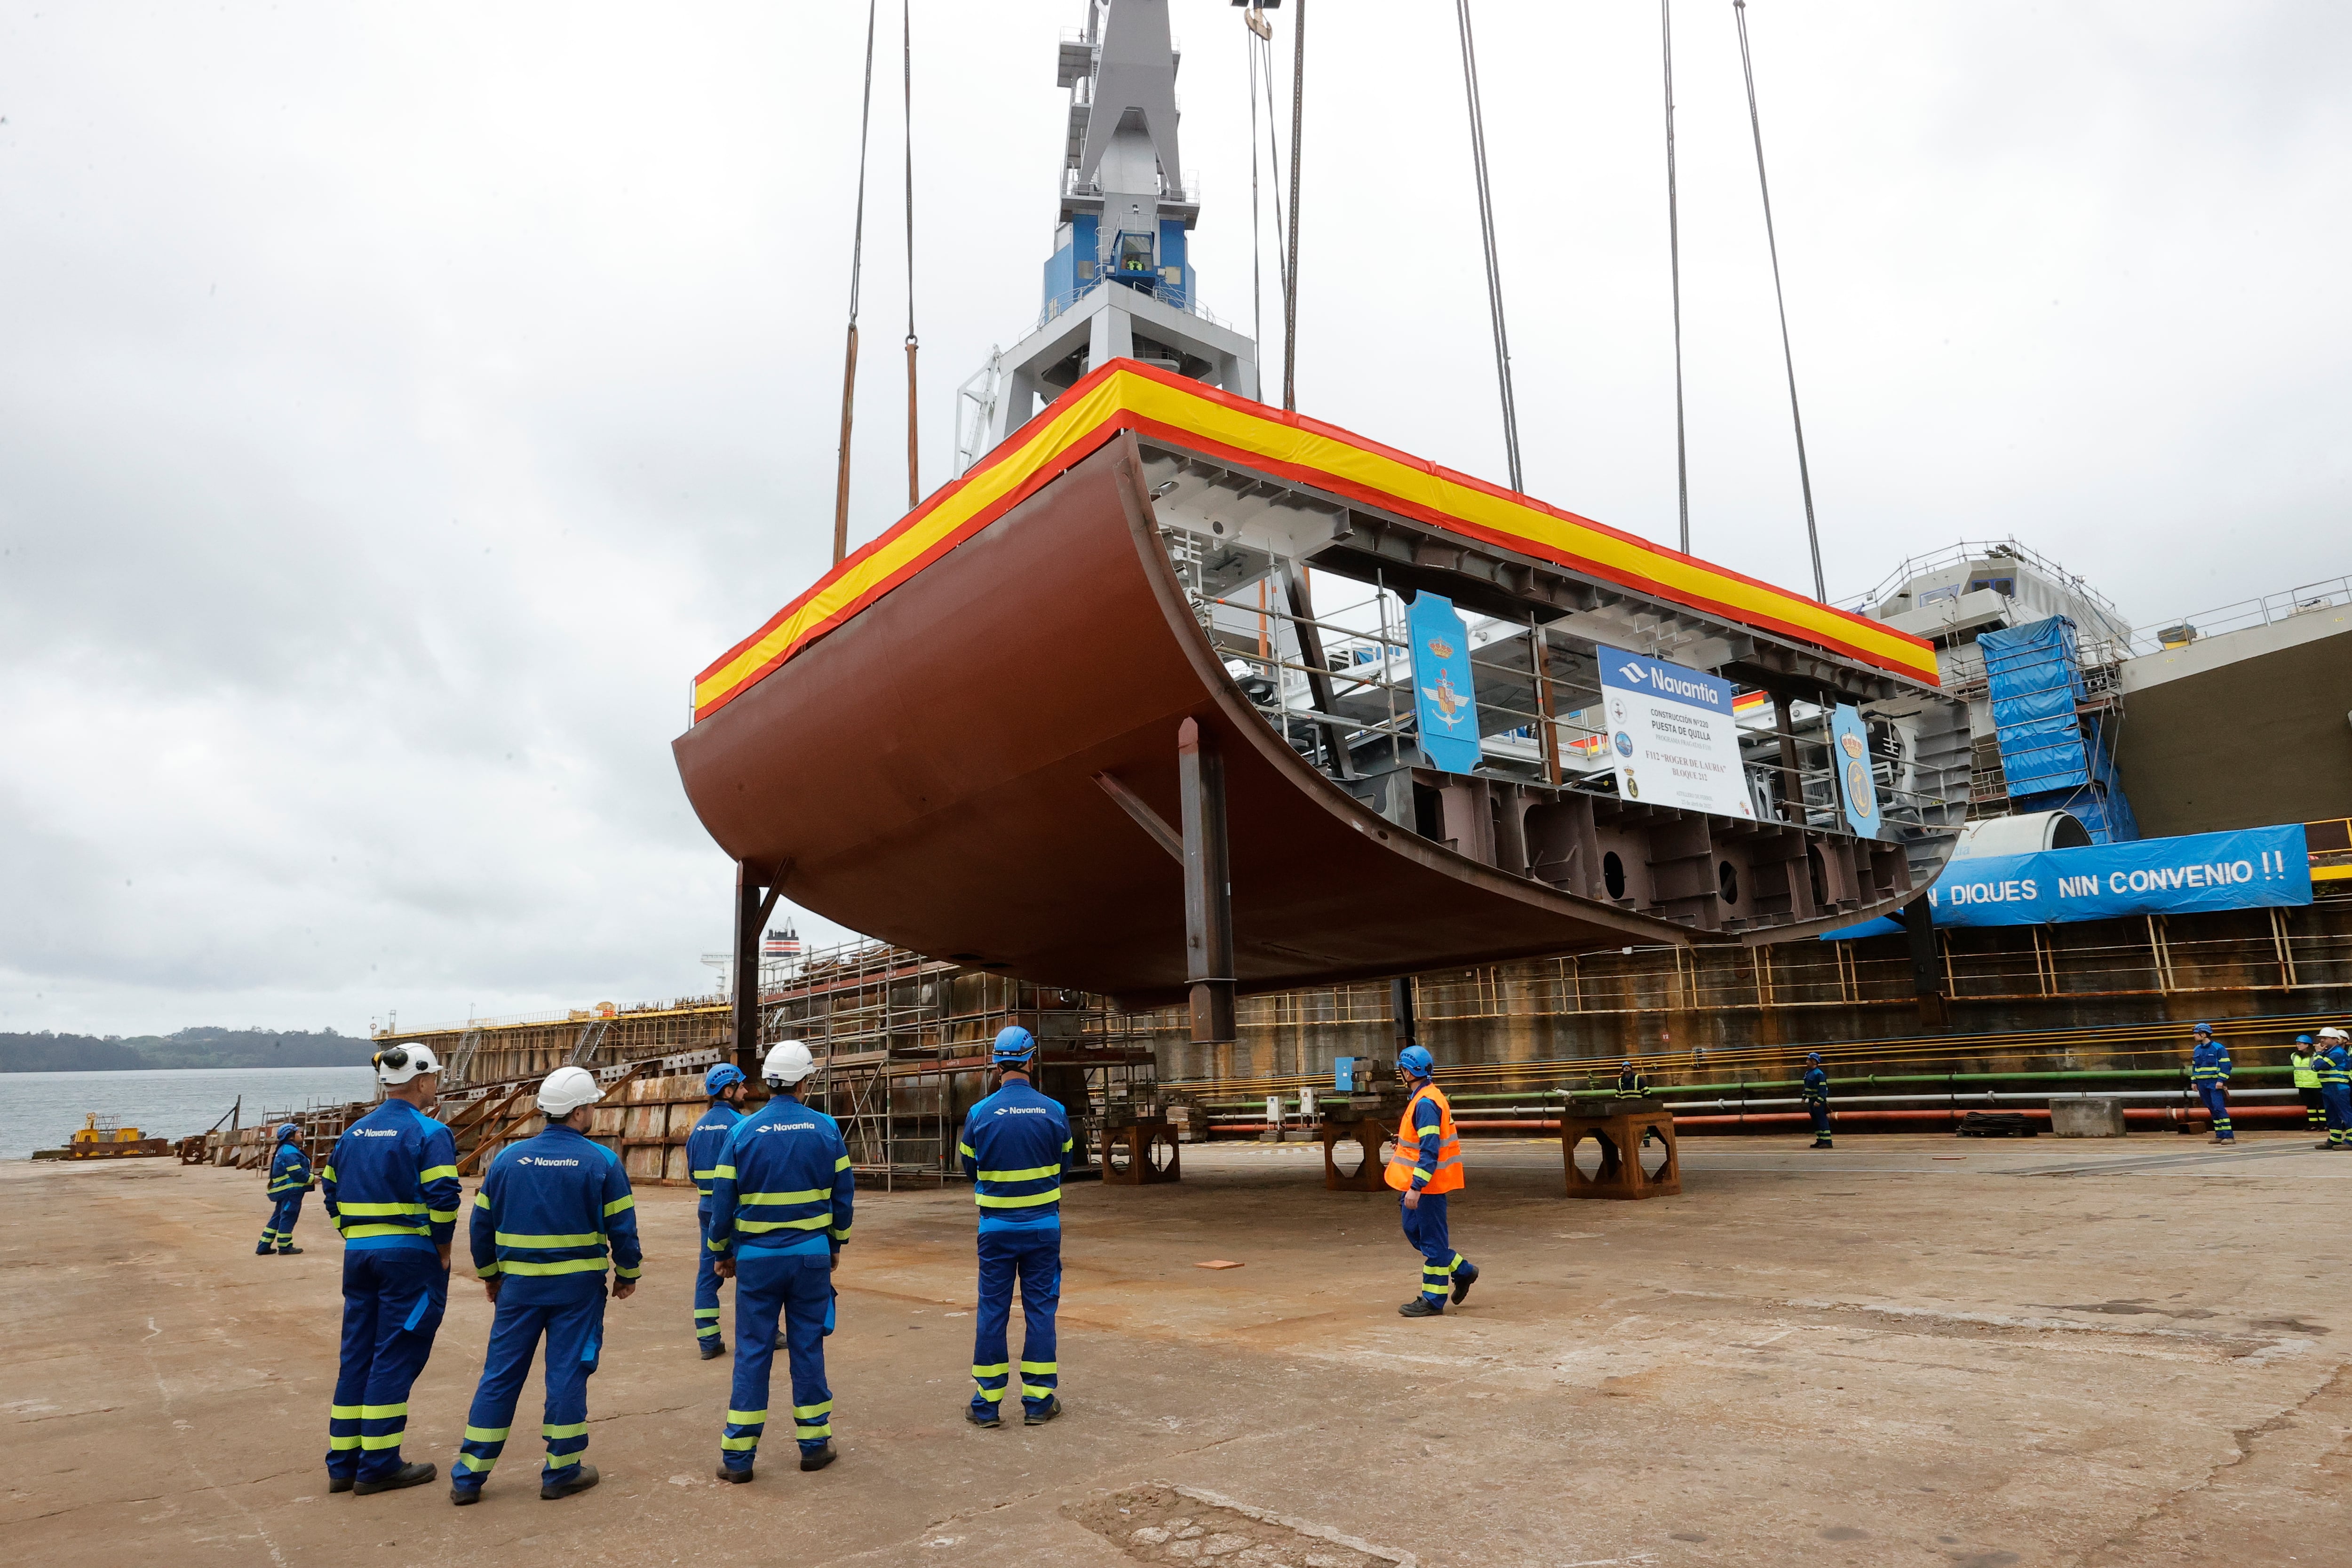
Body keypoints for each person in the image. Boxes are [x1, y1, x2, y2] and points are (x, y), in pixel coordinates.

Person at [450, 1066, 640, 1504]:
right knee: (568, 1374)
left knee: (499, 1376)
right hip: (577, 1290)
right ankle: (562, 1470)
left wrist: (491, 1274)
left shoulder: (506, 1161)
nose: (594, 1109)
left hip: (518, 1289)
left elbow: (481, 1226)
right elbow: (623, 1229)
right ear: (578, 1111)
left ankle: (469, 1475)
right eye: (592, 1104)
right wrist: (628, 1273)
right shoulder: (602, 1161)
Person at [707, 1039, 854, 1481]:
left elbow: (722, 1203)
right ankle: (814, 1444)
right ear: (804, 1081)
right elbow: (844, 1199)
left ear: (769, 1083)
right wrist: (835, 1246)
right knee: (807, 1346)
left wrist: (722, 1251)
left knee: (753, 1351)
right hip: (810, 1257)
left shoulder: (741, 1132)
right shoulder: (827, 1129)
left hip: (756, 1260)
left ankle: (738, 1458)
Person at [320, 1043, 460, 1496]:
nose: (435, 1085)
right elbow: (443, 1197)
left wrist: (355, 1234)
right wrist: (442, 1250)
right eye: (434, 1078)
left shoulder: (353, 1133)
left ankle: (343, 1464)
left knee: (357, 1353)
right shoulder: (430, 1131)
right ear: (422, 1082)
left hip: (360, 1254)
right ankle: (378, 1463)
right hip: (408, 1258)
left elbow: (329, 1190)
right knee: (396, 1352)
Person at [959, 1026, 1072, 1426]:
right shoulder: (1054, 1111)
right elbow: (1065, 1165)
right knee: (1040, 1309)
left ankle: (986, 1405)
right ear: (1030, 1060)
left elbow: (969, 1167)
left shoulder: (979, 1114)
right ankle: (1039, 1401)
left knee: (993, 1309)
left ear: (996, 1064)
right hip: (1043, 1228)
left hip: (996, 1229)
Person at [1383, 1044, 1477, 1319]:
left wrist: (1416, 1188)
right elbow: (1421, 1143)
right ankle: (1463, 1271)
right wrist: (1401, 1145)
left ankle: (1433, 1300)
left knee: (1433, 1245)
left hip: (1427, 1188)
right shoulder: (1424, 1098)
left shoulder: (1425, 1103)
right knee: (1417, 1234)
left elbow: (1430, 1150)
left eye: (1402, 1069)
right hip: (1422, 1186)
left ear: (1408, 1072)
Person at [687, 1063, 755, 1359]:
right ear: (728, 1091)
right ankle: (762, 1334)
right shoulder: (740, 1125)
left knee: (708, 1272)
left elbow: (692, 1173)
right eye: (741, 1086)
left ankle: (708, 1341)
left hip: (706, 1208)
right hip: (736, 1210)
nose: (746, 1091)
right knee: (751, 1273)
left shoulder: (698, 1128)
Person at [259, 1122, 313, 1256]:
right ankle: (285, 1246)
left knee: (278, 1217)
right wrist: (312, 1179)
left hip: (284, 1190)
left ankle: (263, 1246)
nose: (301, 1134)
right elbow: (296, 1172)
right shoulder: (290, 1151)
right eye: (298, 1133)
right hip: (291, 1190)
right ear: (291, 1137)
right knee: (289, 1216)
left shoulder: (287, 1149)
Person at [2189, 1023, 2233, 1144]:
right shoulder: (2197, 1050)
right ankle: (2219, 1135)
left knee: (2219, 1108)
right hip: (2202, 1084)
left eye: (2195, 1033)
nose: (2194, 1036)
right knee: (2212, 1109)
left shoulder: (2218, 1048)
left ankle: (2229, 1136)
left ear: (2203, 1034)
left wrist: (2221, 1081)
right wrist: (2194, 1081)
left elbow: (2226, 1066)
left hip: (2214, 1083)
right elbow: (2195, 1067)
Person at [2316, 1029, 2351, 1152]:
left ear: (2335, 1040)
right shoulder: (2328, 1053)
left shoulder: (2338, 1053)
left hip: (2338, 1087)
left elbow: (2319, 1066)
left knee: (2345, 1114)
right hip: (2328, 1087)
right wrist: (2320, 1055)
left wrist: (2318, 1054)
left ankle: (2351, 1141)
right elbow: (2315, 1066)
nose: (2322, 1040)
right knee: (2332, 1115)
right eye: (2322, 1038)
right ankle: (2335, 1138)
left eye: (2326, 1038)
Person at [2291, 1035, 2323, 1131]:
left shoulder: (2315, 1055)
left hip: (2316, 1084)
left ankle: (2323, 1124)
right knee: (2310, 1106)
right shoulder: (2294, 1056)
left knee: (2321, 1106)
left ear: (2307, 1045)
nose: (2298, 1046)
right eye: (2297, 1044)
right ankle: (2313, 1124)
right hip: (2302, 1085)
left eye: (2300, 1044)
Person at [1802, 1053, 1833, 1150]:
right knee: (1816, 1121)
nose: (1807, 1062)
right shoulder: (1808, 1073)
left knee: (1822, 1120)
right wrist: (1804, 1097)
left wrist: (1820, 1100)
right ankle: (1820, 1140)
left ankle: (1827, 1142)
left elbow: (1823, 1089)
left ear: (1814, 1062)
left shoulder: (1819, 1074)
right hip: (1812, 1101)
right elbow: (1806, 1086)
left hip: (1818, 1102)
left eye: (1808, 1060)